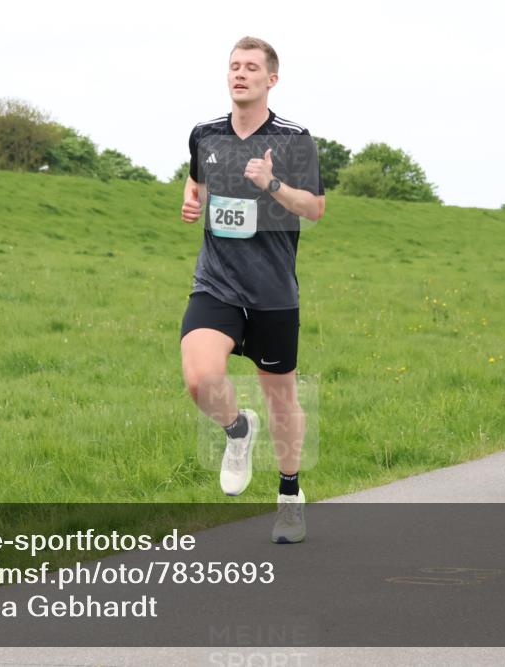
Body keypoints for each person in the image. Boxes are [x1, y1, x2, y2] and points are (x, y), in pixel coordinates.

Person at [179, 36, 325, 542]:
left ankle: (289, 495)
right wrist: (191, 201)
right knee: (200, 378)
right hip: (217, 282)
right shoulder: (205, 134)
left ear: (271, 79)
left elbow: (314, 208)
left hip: (272, 291)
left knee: (281, 399)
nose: (240, 74)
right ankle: (237, 430)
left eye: (251, 68)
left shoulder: (294, 139)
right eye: (234, 66)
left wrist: (272, 184)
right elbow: (197, 181)